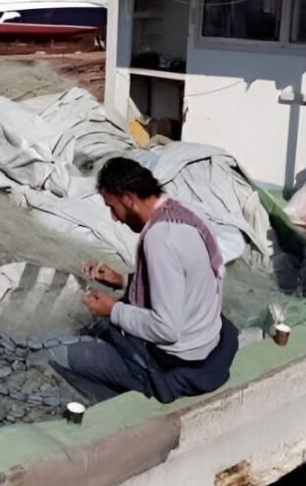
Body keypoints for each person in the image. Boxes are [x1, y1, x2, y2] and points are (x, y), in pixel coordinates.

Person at [50, 157, 239, 404]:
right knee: (100, 328)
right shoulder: (183, 213)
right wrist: (123, 281)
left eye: (112, 207)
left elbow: (167, 329)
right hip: (207, 345)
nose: (115, 218)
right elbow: (180, 283)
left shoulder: (160, 239)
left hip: (176, 365)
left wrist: (113, 310)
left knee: (55, 353)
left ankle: (116, 404)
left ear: (129, 199)